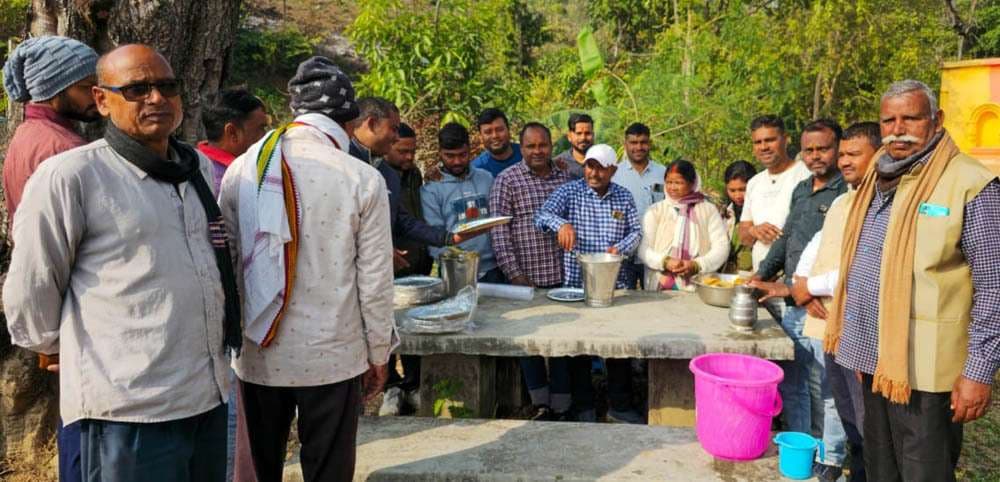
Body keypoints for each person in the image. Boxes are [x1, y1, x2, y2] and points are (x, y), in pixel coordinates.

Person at [4, 44, 240, 480]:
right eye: (136, 89)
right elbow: (32, 287)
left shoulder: (197, 171)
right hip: (127, 410)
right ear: (101, 99)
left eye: (166, 86)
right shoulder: (72, 176)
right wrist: (57, 347)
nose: (156, 98)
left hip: (205, 396)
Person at [219, 56, 396, 482]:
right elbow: (374, 280)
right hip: (333, 356)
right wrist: (379, 353)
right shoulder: (362, 178)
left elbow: (225, 263)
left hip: (259, 349)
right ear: (349, 121)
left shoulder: (246, 167)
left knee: (257, 469)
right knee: (328, 469)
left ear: (296, 112)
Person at [826, 80, 1000, 481]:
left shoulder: (970, 183)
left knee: (923, 473)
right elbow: (866, 266)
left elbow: (994, 286)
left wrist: (978, 372)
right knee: (880, 468)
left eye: (911, 118)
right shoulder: (878, 177)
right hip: (878, 360)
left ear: (936, 120)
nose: (897, 128)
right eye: (889, 120)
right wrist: (861, 346)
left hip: (928, 371)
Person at [1, 34, 99, 482]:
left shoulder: (31, 134)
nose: (96, 97)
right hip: (74, 303)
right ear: (58, 89)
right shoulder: (61, 148)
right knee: (87, 429)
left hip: (60, 299)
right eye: (86, 86)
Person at [773, 121, 880, 482]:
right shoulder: (839, 199)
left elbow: (863, 266)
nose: (846, 161)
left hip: (848, 317)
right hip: (815, 310)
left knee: (839, 396)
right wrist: (799, 285)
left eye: (852, 154)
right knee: (811, 384)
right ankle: (814, 448)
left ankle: (834, 457)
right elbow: (809, 245)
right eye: (845, 154)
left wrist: (809, 288)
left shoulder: (882, 203)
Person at [752, 119, 847, 447]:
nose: (815, 156)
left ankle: (828, 451)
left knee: (826, 386)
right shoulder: (802, 189)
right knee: (793, 381)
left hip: (824, 306)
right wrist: (761, 275)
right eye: (809, 150)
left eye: (823, 148)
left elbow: (844, 256)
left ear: (838, 149)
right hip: (794, 303)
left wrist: (809, 292)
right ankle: (800, 443)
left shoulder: (846, 193)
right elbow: (787, 237)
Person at [535, 144, 643, 423]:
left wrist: (619, 249)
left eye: (600, 167)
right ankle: (583, 406)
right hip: (577, 285)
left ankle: (619, 406)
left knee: (618, 349)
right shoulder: (571, 192)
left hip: (615, 286)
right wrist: (561, 225)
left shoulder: (623, 196)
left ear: (613, 170)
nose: (593, 173)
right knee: (578, 349)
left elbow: (636, 231)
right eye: (589, 166)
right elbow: (541, 216)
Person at [490, 122, 574, 420]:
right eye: (531, 146)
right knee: (530, 343)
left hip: (563, 278)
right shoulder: (507, 180)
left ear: (552, 146)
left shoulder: (565, 175)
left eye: (543, 145)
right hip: (524, 278)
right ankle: (540, 404)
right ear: (520, 148)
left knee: (563, 345)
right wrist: (514, 274)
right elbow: (499, 231)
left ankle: (563, 406)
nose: (538, 152)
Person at [349, 97, 473, 270]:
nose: (396, 137)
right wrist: (376, 249)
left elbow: (402, 219)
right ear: (371, 124)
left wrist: (449, 238)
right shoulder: (339, 162)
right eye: (393, 129)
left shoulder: (389, 175)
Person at [378, 122, 429, 417]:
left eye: (413, 151)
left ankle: (412, 384)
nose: (409, 157)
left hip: (416, 262)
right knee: (386, 328)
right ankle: (390, 387)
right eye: (403, 151)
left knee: (412, 325)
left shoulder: (414, 175)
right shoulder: (377, 175)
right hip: (387, 264)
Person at [421, 123, 502, 282]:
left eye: (462, 155)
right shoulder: (431, 190)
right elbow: (433, 236)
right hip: (454, 271)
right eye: (449, 156)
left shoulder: (486, 178)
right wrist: (456, 263)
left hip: (493, 269)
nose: (457, 161)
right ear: (440, 153)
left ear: (470, 150)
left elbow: (498, 222)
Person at [638, 159, 729, 291]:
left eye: (679, 182)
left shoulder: (707, 210)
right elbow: (643, 248)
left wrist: (697, 265)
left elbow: (721, 247)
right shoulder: (655, 210)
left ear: (692, 183)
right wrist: (665, 262)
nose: (672, 187)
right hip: (660, 283)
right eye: (669, 182)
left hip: (697, 283)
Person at [738, 115, 811, 272]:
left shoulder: (807, 175)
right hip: (760, 275)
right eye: (758, 142)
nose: (764, 147)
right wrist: (753, 230)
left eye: (770, 140)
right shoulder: (754, 183)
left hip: (795, 275)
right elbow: (743, 235)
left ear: (786, 139)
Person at [611, 123, 666, 289]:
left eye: (643, 142)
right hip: (624, 248)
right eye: (633, 143)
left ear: (649, 144)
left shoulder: (663, 173)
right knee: (623, 298)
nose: (638, 147)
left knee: (657, 299)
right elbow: (610, 210)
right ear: (625, 144)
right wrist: (622, 218)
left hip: (655, 248)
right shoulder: (614, 173)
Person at [198, 87, 268, 191]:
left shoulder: (195, 163)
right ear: (232, 133)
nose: (266, 136)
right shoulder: (228, 183)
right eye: (260, 128)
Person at [720, 160, 757, 274]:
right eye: (732, 190)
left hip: (752, 274)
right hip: (726, 275)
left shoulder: (761, 213)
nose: (737, 195)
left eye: (742, 189)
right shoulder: (725, 213)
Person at [471, 108, 522, 177]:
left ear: (508, 129)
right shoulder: (477, 169)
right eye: (488, 132)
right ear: (481, 136)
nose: (495, 136)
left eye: (499, 130)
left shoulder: (527, 154)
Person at [554, 112, 594, 179]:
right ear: (569, 136)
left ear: (593, 135)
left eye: (587, 133)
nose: (583, 137)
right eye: (578, 133)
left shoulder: (603, 160)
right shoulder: (559, 164)